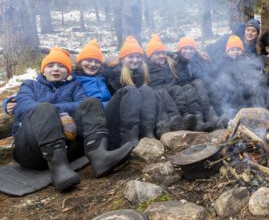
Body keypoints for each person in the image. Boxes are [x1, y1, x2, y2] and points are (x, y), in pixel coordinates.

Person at [10, 47, 133, 192]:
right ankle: (59, 171)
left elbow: (82, 104)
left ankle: (100, 157)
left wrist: (57, 110)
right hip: (30, 150)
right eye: (50, 66)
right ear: (43, 70)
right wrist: (57, 113)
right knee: (43, 109)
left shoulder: (75, 86)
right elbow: (23, 106)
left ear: (68, 71)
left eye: (61, 66)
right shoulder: (30, 85)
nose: (55, 69)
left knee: (91, 102)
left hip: (68, 149)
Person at [103, 36, 159, 142]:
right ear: (122, 58)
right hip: (116, 116)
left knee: (147, 90)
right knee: (131, 90)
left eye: (138, 57)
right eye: (131, 57)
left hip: (134, 116)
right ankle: (129, 139)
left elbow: (156, 53)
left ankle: (148, 132)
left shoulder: (140, 72)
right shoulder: (115, 72)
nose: (135, 60)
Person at [207, 35, 266, 127]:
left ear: (242, 51)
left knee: (254, 87)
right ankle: (231, 117)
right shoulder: (222, 61)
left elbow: (254, 69)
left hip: (243, 91)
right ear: (227, 51)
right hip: (228, 93)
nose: (235, 52)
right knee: (230, 85)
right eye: (232, 49)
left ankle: (256, 114)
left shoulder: (245, 61)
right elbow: (213, 73)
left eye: (238, 50)